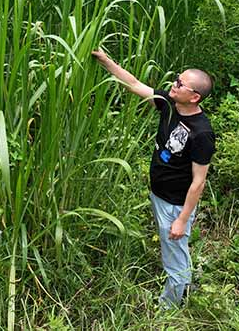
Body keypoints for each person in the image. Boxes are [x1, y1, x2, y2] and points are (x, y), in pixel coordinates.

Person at [91, 49, 215, 308]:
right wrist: (105, 60)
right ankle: (185, 285)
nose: (174, 83)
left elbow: (199, 182)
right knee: (176, 252)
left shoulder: (201, 133)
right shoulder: (170, 104)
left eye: (180, 83)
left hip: (175, 204)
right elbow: (134, 84)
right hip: (160, 195)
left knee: (174, 258)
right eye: (177, 78)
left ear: (194, 96)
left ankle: (168, 309)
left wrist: (181, 220)